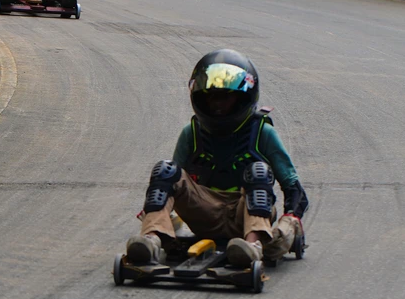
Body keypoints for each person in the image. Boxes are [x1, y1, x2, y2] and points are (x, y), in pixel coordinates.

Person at [126, 49, 309, 268]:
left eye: (226, 97)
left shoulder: (262, 132)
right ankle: (150, 241)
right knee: (166, 170)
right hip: (205, 212)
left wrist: (290, 222)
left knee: (258, 171)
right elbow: (173, 185)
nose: (218, 105)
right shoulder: (191, 133)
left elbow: (294, 189)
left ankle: (252, 247)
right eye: (213, 97)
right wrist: (155, 211)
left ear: (242, 98)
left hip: (246, 214)